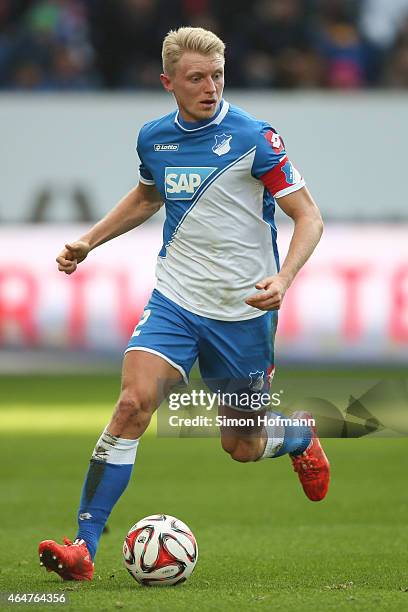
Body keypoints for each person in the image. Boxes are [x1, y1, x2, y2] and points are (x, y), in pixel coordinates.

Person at [39, 26, 329, 581]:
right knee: (131, 406)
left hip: (244, 311)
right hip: (175, 299)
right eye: (197, 78)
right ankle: (84, 547)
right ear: (168, 82)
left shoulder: (255, 138)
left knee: (241, 445)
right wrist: (89, 241)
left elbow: (308, 216)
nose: (210, 88)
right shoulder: (155, 138)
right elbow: (149, 194)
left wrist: (285, 277)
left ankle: (297, 433)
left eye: (218, 76)